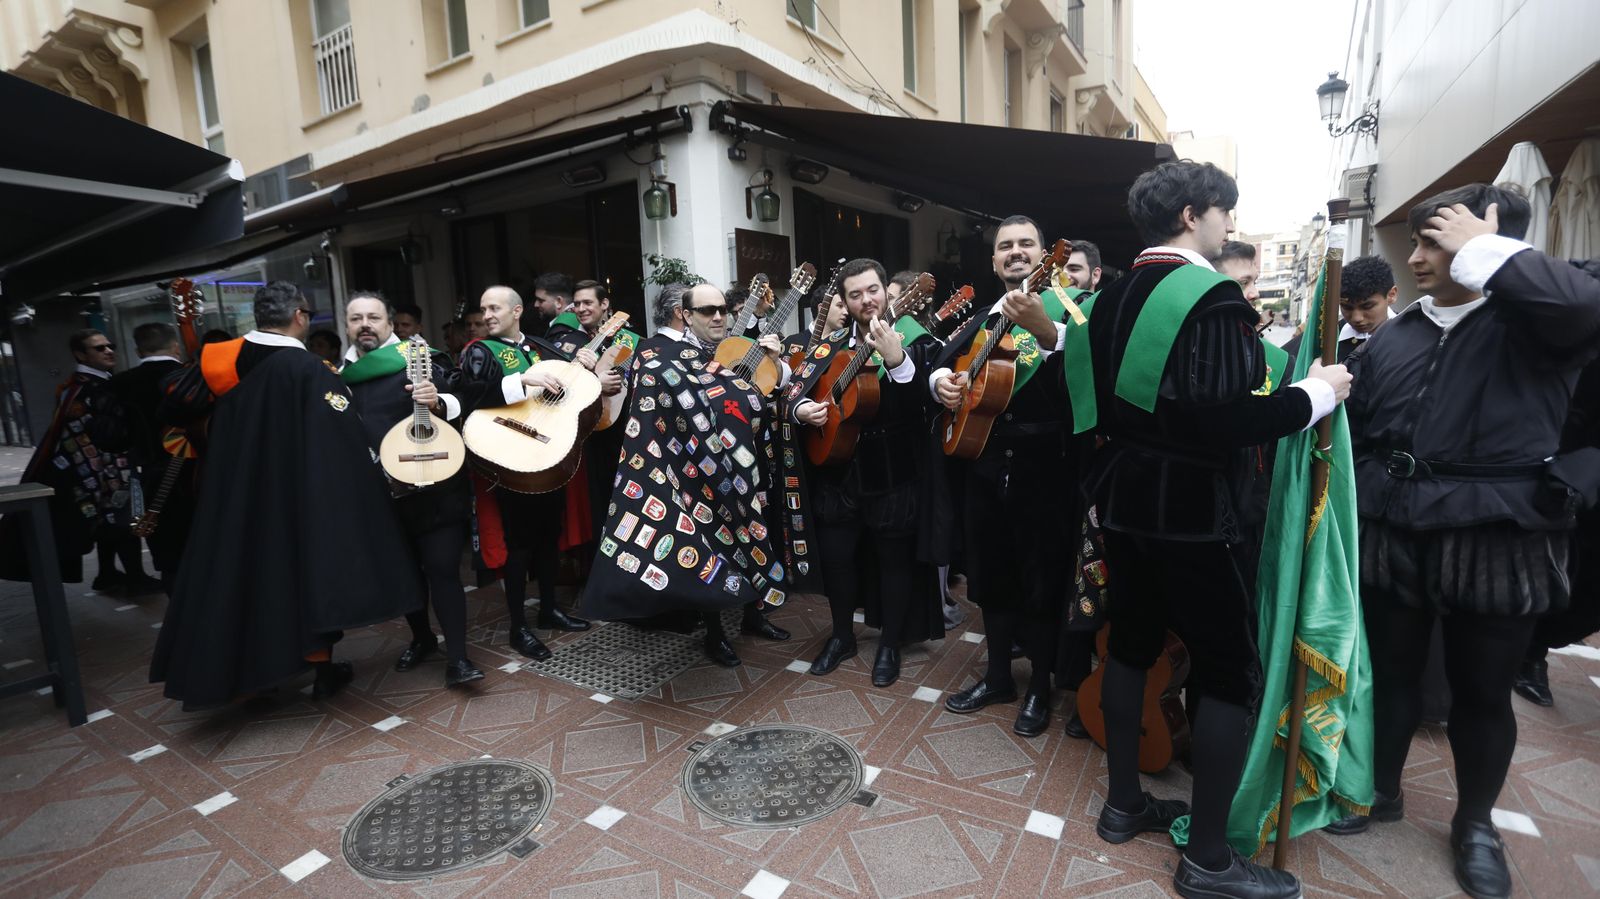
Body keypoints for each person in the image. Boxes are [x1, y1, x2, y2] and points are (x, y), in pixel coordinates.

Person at [1072, 161, 1350, 899]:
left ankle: (1123, 802)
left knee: (1130, 645)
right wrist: (1316, 393)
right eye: (1225, 214)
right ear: (1195, 214)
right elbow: (1225, 421)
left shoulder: (1108, 296)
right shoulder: (1212, 298)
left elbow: (1092, 404)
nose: (1230, 227)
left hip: (1125, 497)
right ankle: (1210, 860)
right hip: (1193, 507)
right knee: (1230, 669)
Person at [1334, 188, 1600, 899]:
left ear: (1487, 247)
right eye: (1416, 242)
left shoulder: (1537, 325)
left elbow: (1582, 306)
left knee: (1481, 694)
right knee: (1390, 674)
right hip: (1395, 531)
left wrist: (1484, 246)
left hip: (1496, 538)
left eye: (1434, 243)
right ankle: (1379, 788)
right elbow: (1360, 425)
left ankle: (1476, 823)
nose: (1415, 258)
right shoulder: (1399, 332)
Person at [149, 282, 421, 709]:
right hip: (294, 497)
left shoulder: (219, 359)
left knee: (242, 576)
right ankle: (322, 670)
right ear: (300, 316)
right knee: (300, 575)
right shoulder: (311, 370)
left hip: (234, 496)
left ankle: (245, 673)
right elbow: (340, 443)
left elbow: (172, 406)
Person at [580, 282, 791, 665]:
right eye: (708, 311)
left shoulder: (730, 351)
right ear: (686, 315)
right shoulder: (659, 356)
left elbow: (760, 392)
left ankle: (754, 616)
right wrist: (599, 376)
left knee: (753, 534)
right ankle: (715, 635)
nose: (718, 317)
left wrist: (774, 363)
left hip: (745, 464)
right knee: (712, 547)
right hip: (694, 471)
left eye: (723, 309)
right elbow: (636, 407)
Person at [927, 215, 1079, 738]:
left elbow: (1089, 370)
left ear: (1045, 255)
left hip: (1045, 466)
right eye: (1005, 246)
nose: (1015, 252)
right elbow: (943, 364)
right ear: (993, 261)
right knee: (990, 578)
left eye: (1026, 244)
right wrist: (942, 382)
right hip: (986, 464)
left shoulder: (1071, 307)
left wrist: (1046, 330)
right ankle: (997, 676)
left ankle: (1039, 683)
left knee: (1040, 579)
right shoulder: (986, 314)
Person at [787, 259, 945, 686]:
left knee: (894, 562)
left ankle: (890, 644)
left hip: (892, 472)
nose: (865, 300)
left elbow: (926, 406)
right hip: (837, 473)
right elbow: (794, 391)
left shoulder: (912, 340)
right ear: (845, 301)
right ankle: (841, 637)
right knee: (838, 560)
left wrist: (896, 361)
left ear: (888, 292)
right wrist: (802, 409)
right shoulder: (829, 345)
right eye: (855, 294)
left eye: (872, 290)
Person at [339, 290, 484, 687]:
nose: (365, 324)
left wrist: (438, 401)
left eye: (373, 317)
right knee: (406, 573)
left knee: (442, 571)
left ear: (389, 322)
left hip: (436, 485)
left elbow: (464, 399)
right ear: (348, 325)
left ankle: (458, 659)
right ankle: (422, 638)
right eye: (356, 318)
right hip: (381, 493)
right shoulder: (340, 376)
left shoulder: (422, 359)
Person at [456, 285, 586, 663]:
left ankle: (548, 609)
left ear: (516, 311)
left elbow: (567, 385)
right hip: (511, 459)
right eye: (484, 308)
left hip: (547, 454)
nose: (487, 315)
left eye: (495, 308)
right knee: (519, 545)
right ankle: (518, 626)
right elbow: (468, 393)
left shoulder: (540, 347)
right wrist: (521, 382)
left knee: (549, 537)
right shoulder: (480, 351)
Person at [0, 329, 138, 588]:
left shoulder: (81, 387)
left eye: (110, 345)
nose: (109, 351)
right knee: (122, 519)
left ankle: (109, 574)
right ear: (80, 354)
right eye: (99, 348)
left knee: (110, 521)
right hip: (100, 472)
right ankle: (131, 576)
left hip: (97, 471)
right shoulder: (89, 389)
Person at [110, 323, 191, 593]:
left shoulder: (119, 384)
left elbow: (113, 437)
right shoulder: (190, 376)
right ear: (175, 346)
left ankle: (179, 615)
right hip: (196, 475)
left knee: (167, 554)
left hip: (147, 480)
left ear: (137, 349)